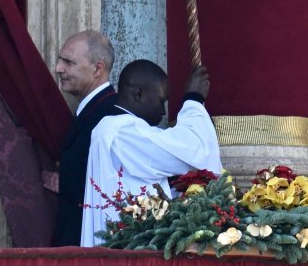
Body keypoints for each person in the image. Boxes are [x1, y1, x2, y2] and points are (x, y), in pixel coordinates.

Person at [81, 60, 222, 247]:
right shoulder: (123, 131)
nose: (163, 112)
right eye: (161, 101)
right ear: (139, 94)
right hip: (131, 246)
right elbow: (194, 151)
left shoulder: (111, 129)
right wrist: (194, 99)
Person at [51, 30, 119, 246]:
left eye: (68, 62)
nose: (58, 68)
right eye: (60, 60)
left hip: (90, 248)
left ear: (97, 68)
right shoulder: (91, 109)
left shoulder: (110, 114)